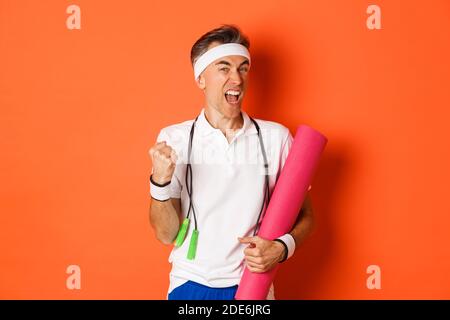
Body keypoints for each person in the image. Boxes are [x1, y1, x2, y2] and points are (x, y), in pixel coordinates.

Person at [148, 25, 314, 300]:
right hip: (189, 283)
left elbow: (307, 215)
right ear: (201, 78)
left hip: (253, 285)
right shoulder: (174, 139)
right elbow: (166, 235)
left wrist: (282, 248)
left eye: (243, 68)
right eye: (224, 69)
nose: (236, 79)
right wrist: (160, 182)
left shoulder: (277, 138)